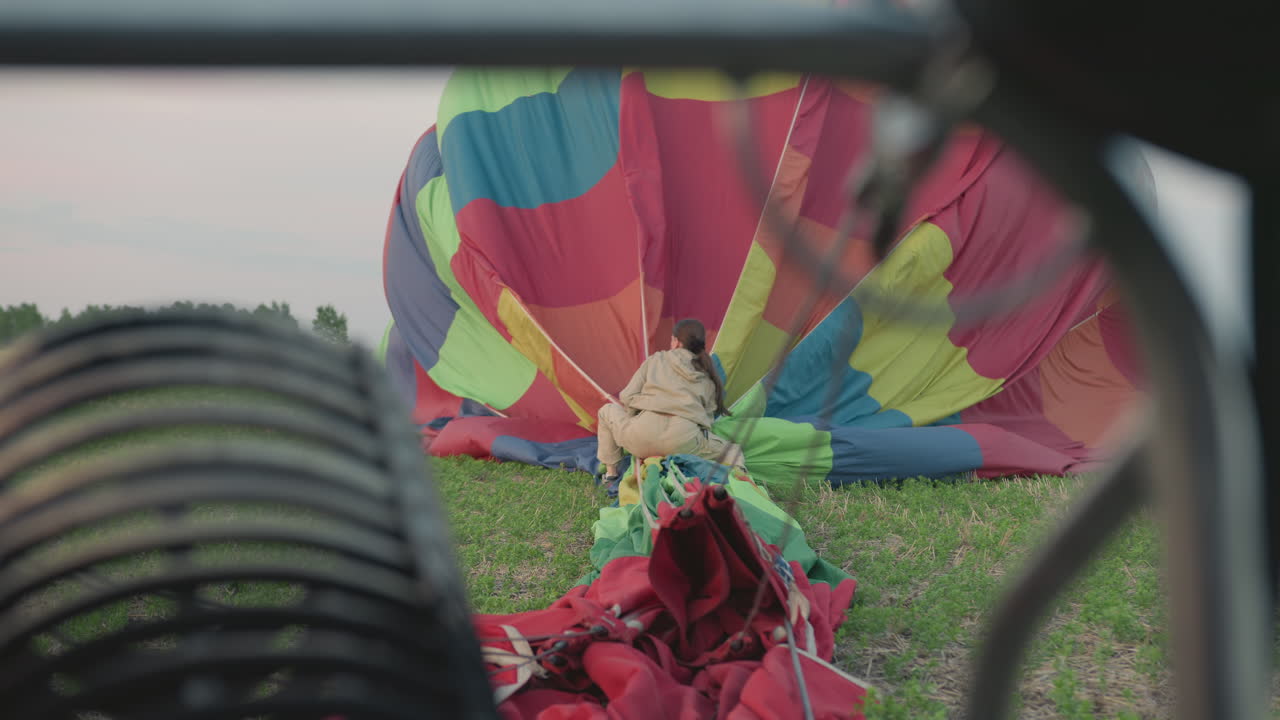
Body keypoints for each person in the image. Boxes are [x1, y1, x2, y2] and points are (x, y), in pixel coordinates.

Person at [596, 318, 746, 481]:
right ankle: (743, 481)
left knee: (606, 411)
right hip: (683, 443)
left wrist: (638, 413)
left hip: (640, 438)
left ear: (676, 342)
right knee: (733, 451)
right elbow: (708, 418)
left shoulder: (656, 359)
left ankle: (611, 474)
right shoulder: (706, 372)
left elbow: (627, 396)